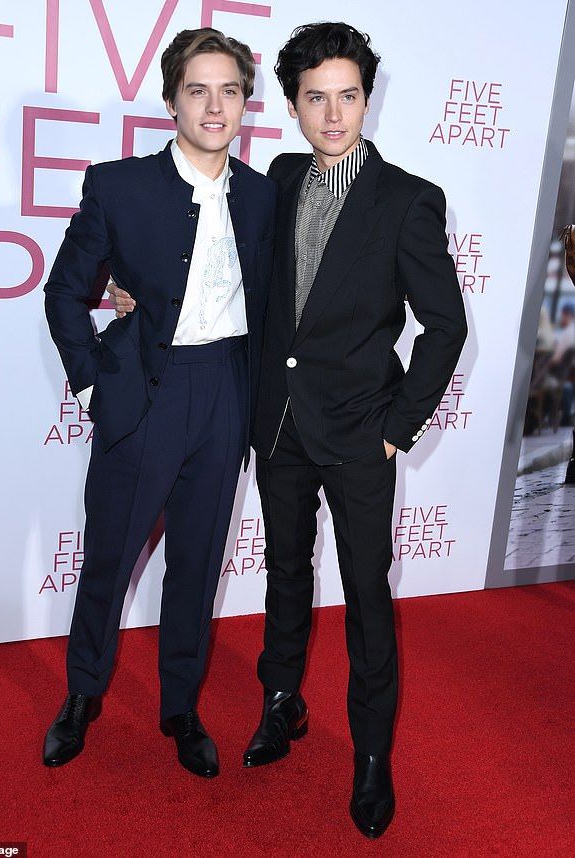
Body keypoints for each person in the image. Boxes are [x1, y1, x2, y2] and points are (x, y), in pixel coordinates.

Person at [109, 21, 467, 839]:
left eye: (348, 97)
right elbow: (224, 271)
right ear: (294, 107)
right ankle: (281, 704)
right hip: (278, 426)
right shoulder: (278, 176)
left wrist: (397, 429)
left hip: (360, 431)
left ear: (367, 101)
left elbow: (444, 328)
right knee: (284, 574)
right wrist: (137, 293)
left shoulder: (409, 199)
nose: (333, 115)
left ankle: (372, 755)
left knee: (369, 596)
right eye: (316, 98)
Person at [42, 27, 276, 778]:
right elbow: (65, 293)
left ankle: (180, 707)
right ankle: (81, 697)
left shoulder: (265, 195)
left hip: (225, 393)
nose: (215, 106)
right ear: (172, 99)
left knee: (198, 565)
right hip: (142, 393)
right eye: (198, 90)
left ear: (246, 102)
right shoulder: (119, 184)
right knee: (108, 561)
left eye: (230, 90)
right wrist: (89, 383)